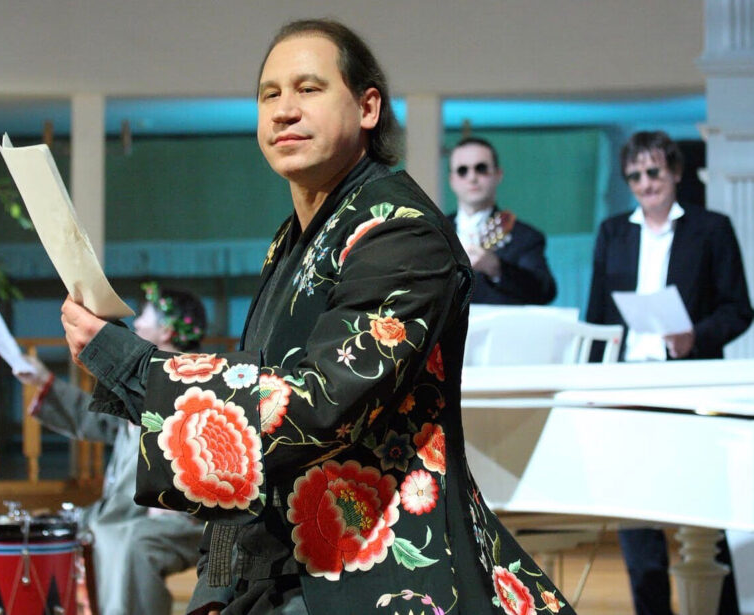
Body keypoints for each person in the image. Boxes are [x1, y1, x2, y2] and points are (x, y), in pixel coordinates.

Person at [61, 19, 576, 615]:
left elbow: (318, 404)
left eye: (309, 88)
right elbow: (260, 385)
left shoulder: (401, 233)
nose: (284, 110)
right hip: (294, 561)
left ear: (368, 107)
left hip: (379, 572)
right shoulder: (296, 239)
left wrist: (131, 364)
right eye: (269, 94)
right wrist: (216, 583)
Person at [586, 130, 753, 615]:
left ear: (676, 172)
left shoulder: (711, 228)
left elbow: (739, 309)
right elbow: (597, 314)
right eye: (635, 175)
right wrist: (592, 382)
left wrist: (694, 336)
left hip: (690, 384)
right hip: (627, 385)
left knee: (703, 510)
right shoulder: (613, 232)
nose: (645, 183)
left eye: (654, 171)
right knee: (636, 514)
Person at [16, 282, 206, 615]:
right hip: (130, 511)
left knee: (124, 541)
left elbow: (210, 459)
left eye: (145, 316)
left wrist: (180, 498)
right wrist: (44, 382)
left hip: (185, 516)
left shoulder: (196, 383)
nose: (137, 324)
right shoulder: (145, 378)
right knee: (59, 529)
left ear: (166, 330)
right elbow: (101, 422)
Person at [448, 136, 557, 305]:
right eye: (463, 170)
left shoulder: (524, 237)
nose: (472, 177)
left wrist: (496, 268)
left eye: (481, 168)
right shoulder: (432, 231)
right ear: (452, 180)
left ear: (498, 175)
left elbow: (544, 291)